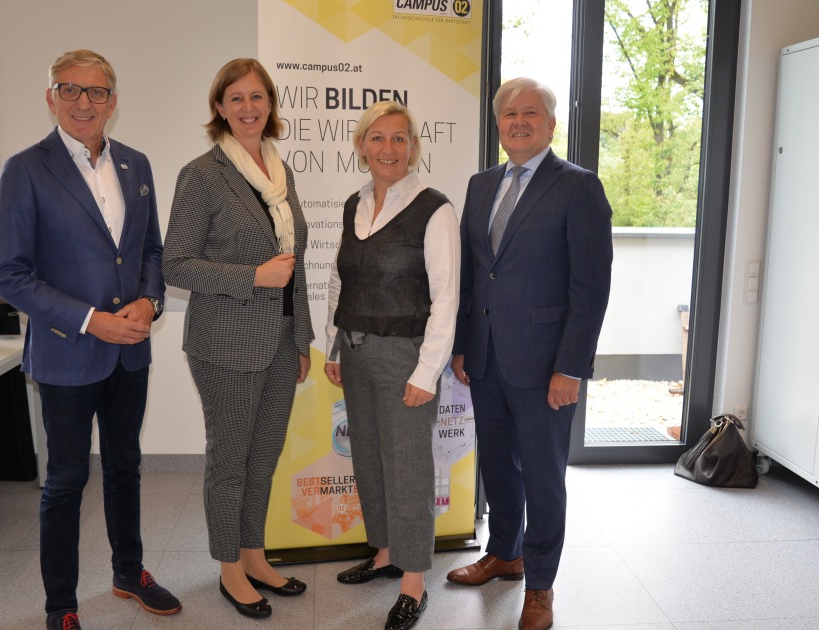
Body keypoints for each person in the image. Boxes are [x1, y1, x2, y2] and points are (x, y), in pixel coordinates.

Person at [0, 50, 178, 630]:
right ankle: (62, 605)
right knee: (66, 481)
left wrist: (150, 301)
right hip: (67, 352)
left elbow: (150, 251)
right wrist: (92, 320)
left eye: (96, 92)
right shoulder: (25, 169)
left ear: (112, 102)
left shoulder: (135, 164)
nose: (83, 102)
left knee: (125, 467)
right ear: (50, 98)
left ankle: (129, 572)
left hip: (131, 353)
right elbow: (9, 276)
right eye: (69, 89)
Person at [447, 77, 613, 630]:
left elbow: (591, 287)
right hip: (486, 358)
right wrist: (463, 346)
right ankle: (505, 552)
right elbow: (473, 273)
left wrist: (571, 367)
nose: (519, 122)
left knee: (543, 477)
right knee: (498, 466)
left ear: (551, 123)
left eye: (531, 113)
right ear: (498, 125)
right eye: (509, 114)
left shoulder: (578, 187)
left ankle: (540, 584)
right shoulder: (481, 184)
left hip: (546, 366)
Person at [162, 57, 314, 620]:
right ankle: (228, 567)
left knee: (263, 457)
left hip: (280, 341)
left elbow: (294, 265)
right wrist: (252, 276)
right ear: (220, 108)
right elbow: (175, 264)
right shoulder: (202, 174)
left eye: (257, 97)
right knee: (229, 463)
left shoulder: (280, 170)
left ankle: (254, 555)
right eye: (236, 98)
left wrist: (302, 339)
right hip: (225, 344)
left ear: (270, 104)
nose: (248, 108)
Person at [325, 100, 460, 630]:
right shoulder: (353, 205)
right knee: (370, 459)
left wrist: (426, 373)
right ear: (361, 146)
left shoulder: (434, 209)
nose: (388, 148)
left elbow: (446, 299)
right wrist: (334, 346)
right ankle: (383, 553)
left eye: (399, 138)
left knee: (407, 469)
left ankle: (414, 581)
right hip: (355, 353)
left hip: (406, 357)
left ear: (413, 147)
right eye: (377, 138)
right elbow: (339, 280)